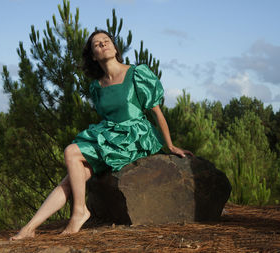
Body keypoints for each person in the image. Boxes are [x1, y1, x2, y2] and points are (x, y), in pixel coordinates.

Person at [10, 30, 193, 240]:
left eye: (106, 41)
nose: (103, 45)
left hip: (133, 137)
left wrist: (170, 146)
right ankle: (29, 228)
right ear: (94, 56)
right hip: (108, 137)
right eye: (97, 44)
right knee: (70, 179)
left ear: (115, 49)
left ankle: (79, 212)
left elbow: (157, 112)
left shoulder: (137, 73)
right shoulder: (96, 86)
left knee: (71, 152)